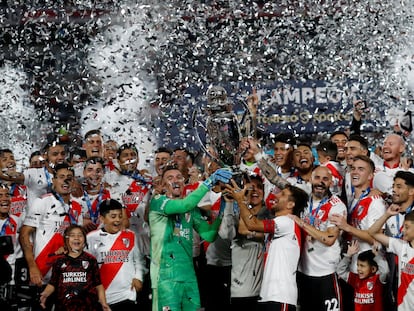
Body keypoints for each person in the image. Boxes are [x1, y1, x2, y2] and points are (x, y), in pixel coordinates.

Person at [149, 165, 232, 311]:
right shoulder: (157, 202)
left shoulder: (191, 210)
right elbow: (184, 205)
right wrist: (209, 182)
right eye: (170, 178)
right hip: (165, 278)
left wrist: (223, 208)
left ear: (184, 183)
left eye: (179, 177)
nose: (176, 180)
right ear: (162, 185)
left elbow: (209, 235)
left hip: (189, 277)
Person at [228, 181, 308, 311]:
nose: (275, 196)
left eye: (282, 194)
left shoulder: (286, 222)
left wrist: (241, 201)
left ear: (290, 204)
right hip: (268, 296)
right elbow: (245, 228)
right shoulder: (280, 227)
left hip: (280, 297)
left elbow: (252, 224)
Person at [19, 163, 82, 310]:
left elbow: (78, 241)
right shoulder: (43, 201)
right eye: (61, 177)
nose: (65, 181)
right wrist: (32, 266)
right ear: (53, 180)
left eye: (69, 178)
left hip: (67, 277)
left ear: (73, 182)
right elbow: (24, 234)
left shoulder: (77, 207)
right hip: (43, 274)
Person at [291, 166, 347, 311]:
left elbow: (329, 239)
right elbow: (277, 180)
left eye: (325, 179)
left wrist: (301, 223)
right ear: (310, 179)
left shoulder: (336, 206)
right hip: (303, 272)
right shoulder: (303, 198)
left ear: (331, 183)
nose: (320, 182)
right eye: (317, 178)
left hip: (326, 273)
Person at [87, 199, 145, 311]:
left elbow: (139, 261)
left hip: (127, 295)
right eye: (113, 216)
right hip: (102, 298)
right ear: (102, 219)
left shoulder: (131, 236)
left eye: (120, 216)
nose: (118, 220)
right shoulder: (91, 238)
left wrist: (138, 277)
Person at [40, 225, 110, 311]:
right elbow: (53, 283)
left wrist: (103, 303)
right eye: (72, 235)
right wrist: (45, 294)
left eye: (80, 235)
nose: (76, 238)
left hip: (88, 307)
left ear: (84, 239)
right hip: (64, 307)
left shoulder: (91, 260)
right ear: (66, 240)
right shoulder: (59, 261)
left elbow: (98, 285)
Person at [229, 174, 272, 310]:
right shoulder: (236, 213)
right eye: (250, 188)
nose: (255, 191)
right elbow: (242, 229)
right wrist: (243, 202)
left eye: (259, 188)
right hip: (242, 289)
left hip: (266, 290)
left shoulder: (270, 215)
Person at [368, 205, 414, 311]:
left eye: (406, 227)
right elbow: (372, 232)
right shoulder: (401, 246)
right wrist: (387, 215)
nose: (402, 230)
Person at [336, 240, 388, 311]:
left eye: (362, 266)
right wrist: (348, 256)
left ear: (373, 269)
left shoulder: (378, 279)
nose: (358, 269)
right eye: (358, 265)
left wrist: (377, 255)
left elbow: (385, 271)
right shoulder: (355, 278)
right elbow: (340, 271)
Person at [73, 157, 111, 232]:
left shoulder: (111, 195)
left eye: (98, 170)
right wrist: (80, 222)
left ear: (103, 173)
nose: (94, 174)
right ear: (84, 172)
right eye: (90, 170)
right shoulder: (74, 196)